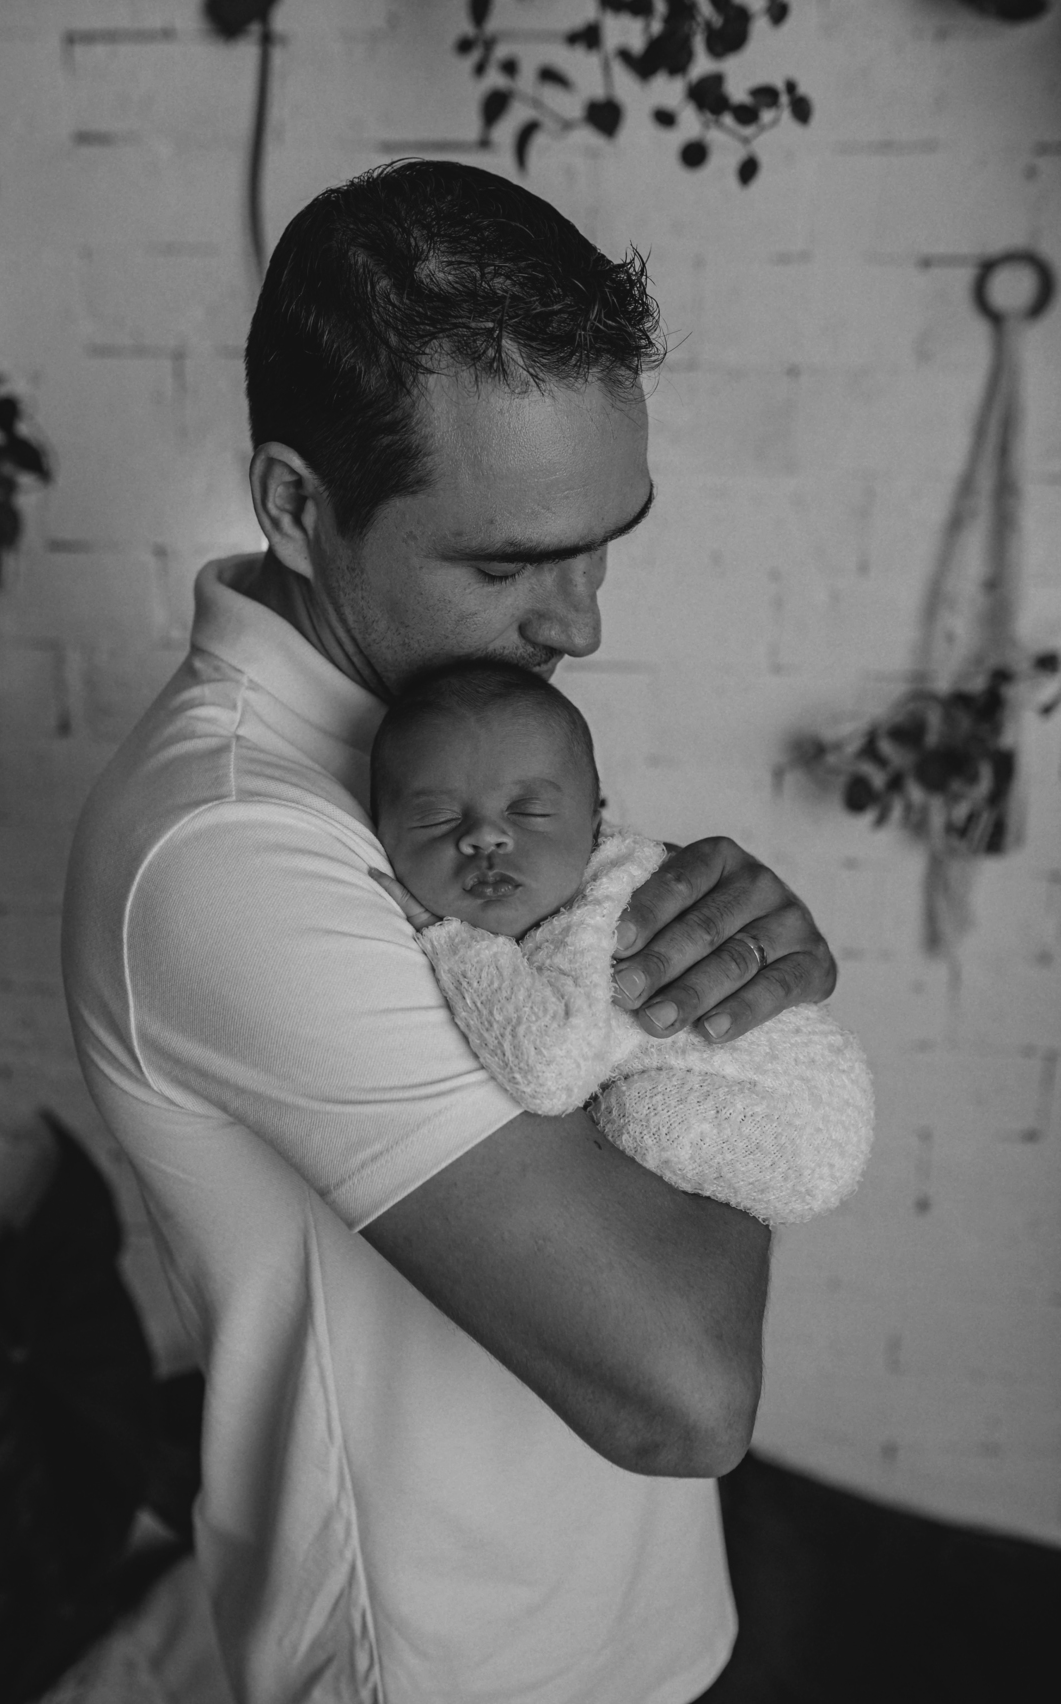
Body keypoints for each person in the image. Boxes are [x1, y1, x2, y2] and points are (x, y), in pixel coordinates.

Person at [61, 160, 838, 1704]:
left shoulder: (446, 737)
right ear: (297, 506)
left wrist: (723, 974)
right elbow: (684, 1391)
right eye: (508, 562)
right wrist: (724, 1029)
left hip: (637, 1625)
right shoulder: (236, 850)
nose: (582, 620)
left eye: (603, 539)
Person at [368, 658, 873, 1227]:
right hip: (795, 1106)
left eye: (529, 811)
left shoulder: (595, 916)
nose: (486, 836)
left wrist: (450, 940)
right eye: (436, 819)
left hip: (795, 1118)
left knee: (631, 1120)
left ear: (593, 825)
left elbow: (550, 1071)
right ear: (377, 834)